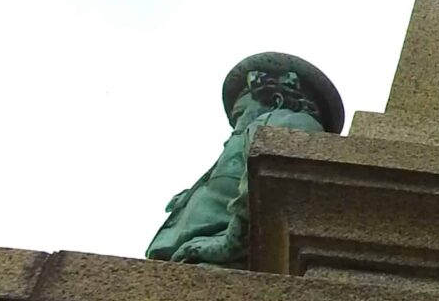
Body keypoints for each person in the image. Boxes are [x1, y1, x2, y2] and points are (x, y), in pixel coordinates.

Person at [147, 53, 343, 265]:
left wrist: (229, 244)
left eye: (240, 115)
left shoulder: (286, 121)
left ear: (276, 101)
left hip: (224, 268)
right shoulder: (244, 138)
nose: (236, 126)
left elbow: (272, 188)